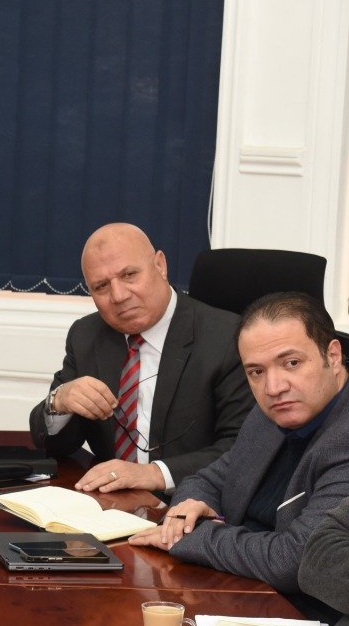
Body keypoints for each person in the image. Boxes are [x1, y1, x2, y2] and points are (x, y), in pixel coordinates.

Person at [128, 292, 349, 594]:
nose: (274, 387)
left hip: (300, 610)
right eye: (256, 371)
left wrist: (192, 537)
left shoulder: (342, 439)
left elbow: (297, 560)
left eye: (292, 363)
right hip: (234, 586)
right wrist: (186, 512)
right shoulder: (272, 413)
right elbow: (209, 479)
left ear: (332, 356)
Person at [30, 223, 252, 494]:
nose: (119, 296)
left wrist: (153, 474)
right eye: (101, 286)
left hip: (192, 502)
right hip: (110, 503)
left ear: (160, 265)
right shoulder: (86, 335)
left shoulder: (228, 338)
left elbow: (242, 448)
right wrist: (60, 402)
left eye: (129, 275)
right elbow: (55, 445)